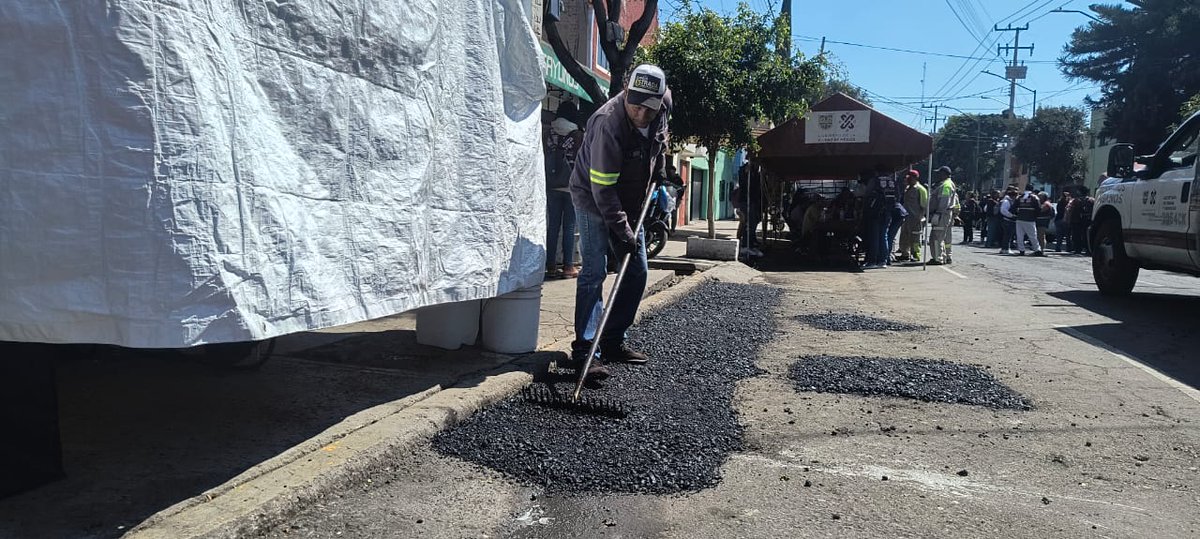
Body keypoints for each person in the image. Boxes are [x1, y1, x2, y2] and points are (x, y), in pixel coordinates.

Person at [568, 64, 672, 380]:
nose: (641, 114)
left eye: (649, 108)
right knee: (594, 271)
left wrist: (662, 166)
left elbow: (661, 136)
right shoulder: (607, 125)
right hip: (593, 199)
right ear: (626, 92)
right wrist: (623, 231)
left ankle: (613, 339)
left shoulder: (663, 104)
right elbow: (602, 191)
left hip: (631, 200)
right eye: (635, 105)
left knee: (637, 271)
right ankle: (587, 349)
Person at [544, 102, 584, 279]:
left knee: (552, 226)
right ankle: (568, 266)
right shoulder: (577, 135)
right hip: (571, 186)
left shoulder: (549, 132)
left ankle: (550, 265)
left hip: (551, 184)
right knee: (568, 227)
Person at [858, 165, 902, 269]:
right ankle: (883, 261)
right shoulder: (892, 182)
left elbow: (867, 194)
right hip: (888, 211)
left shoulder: (875, 180)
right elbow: (898, 196)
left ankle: (872, 261)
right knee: (884, 236)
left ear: (877, 172)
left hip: (875, 212)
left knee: (874, 236)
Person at [926, 166, 959, 265]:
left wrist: (938, 213)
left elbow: (944, 200)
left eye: (939, 173)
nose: (938, 175)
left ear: (944, 174)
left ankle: (938, 258)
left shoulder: (946, 185)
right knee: (941, 236)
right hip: (945, 214)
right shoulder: (948, 184)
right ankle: (943, 256)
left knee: (936, 237)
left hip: (942, 214)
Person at [734, 162, 763, 257]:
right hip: (746, 201)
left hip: (752, 201)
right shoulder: (745, 171)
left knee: (751, 223)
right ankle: (745, 246)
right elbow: (744, 184)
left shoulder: (755, 172)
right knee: (748, 223)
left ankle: (749, 244)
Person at [897, 170, 927, 262]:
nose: (908, 179)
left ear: (914, 178)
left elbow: (925, 205)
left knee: (915, 238)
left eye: (909, 178)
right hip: (906, 218)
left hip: (915, 218)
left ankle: (915, 255)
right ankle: (905, 254)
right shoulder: (907, 188)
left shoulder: (920, 189)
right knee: (904, 236)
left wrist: (920, 217)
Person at [1013, 189, 1044, 256]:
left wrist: (1017, 214)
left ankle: (1021, 250)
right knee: (1032, 235)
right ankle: (1037, 250)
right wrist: (1035, 216)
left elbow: (1013, 207)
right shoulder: (1034, 197)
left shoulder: (1019, 197)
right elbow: (1039, 208)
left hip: (1020, 218)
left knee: (1019, 235)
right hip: (1030, 219)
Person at [1069, 186, 1095, 255]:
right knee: (1087, 235)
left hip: (1077, 220)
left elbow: (1073, 211)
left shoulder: (1076, 200)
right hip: (1088, 219)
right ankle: (1088, 250)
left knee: (1076, 235)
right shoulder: (1092, 200)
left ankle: (1078, 249)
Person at [663, 163, 686, 232]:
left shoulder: (678, 179)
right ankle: (666, 228)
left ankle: (673, 229)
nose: (670, 172)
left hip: (676, 198)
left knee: (674, 213)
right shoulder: (667, 178)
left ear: (674, 171)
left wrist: (679, 199)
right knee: (666, 212)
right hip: (667, 197)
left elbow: (682, 189)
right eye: (669, 171)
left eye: (672, 171)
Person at [998, 187, 1018, 255]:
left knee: (1007, 235)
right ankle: (1006, 249)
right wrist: (1011, 215)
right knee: (1008, 236)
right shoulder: (1007, 201)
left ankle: (1004, 248)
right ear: (1013, 195)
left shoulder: (1007, 200)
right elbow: (1003, 210)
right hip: (1007, 221)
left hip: (1008, 221)